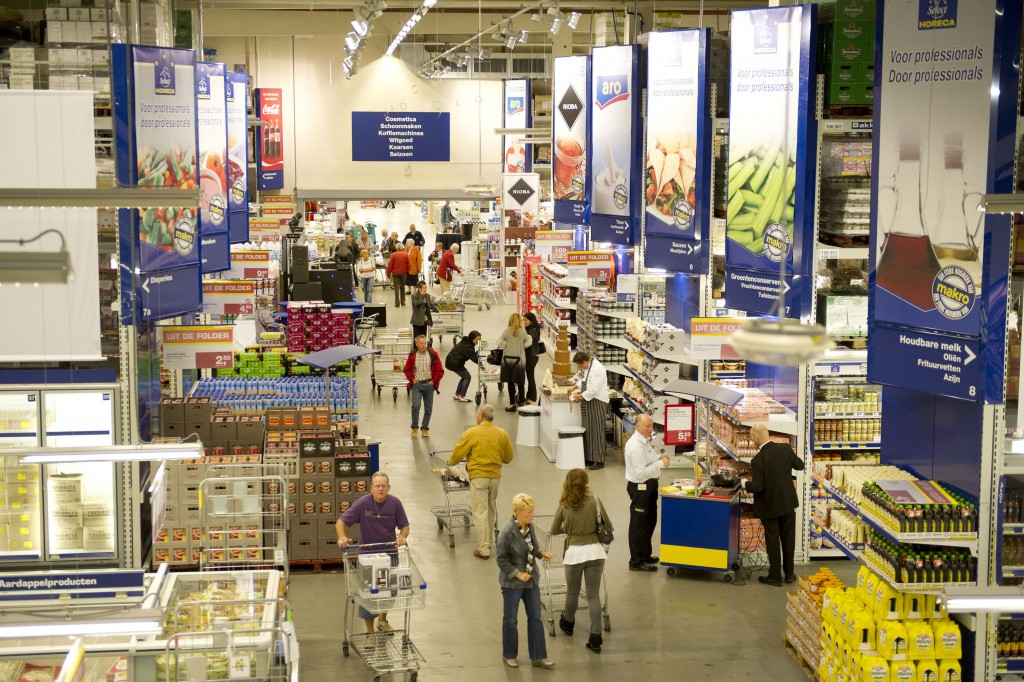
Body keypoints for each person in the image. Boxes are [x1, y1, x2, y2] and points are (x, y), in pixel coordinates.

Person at [335, 471, 410, 634]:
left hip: (389, 555)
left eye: (383, 486)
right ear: (371, 488)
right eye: (377, 486)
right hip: (367, 558)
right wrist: (342, 537)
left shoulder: (395, 504)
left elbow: (405, 526)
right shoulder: (362, 504)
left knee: (388, 591)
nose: (380, 489)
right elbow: (341, 522)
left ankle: (382, 620)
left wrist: (402, 537)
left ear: (388, 488)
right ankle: (370, 632)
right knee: (368, 596)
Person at [549, 468, 611, 654]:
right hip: (595, 552)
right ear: (585, 482)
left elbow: (553, 529)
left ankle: (568, 623)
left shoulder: (564, 504)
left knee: (573, 592)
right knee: (593, 595)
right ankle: (595, 637)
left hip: (574, 552)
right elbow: (608, 524)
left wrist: (569, 528)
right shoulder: (595, 501)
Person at [495, 493, 555, 670]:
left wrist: (541, 553)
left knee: (536, 618)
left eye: (532, 511)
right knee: (511, 620)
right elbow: (501, 559)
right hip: (512, 584)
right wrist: (517, 573)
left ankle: (538, 656)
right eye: (528, 512)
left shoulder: (530, 527)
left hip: (531, 582)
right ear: (517, 513)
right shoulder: (507, 532)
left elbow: (532, 547)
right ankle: (509, 655)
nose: (532, 515)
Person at [449, 404, 515, 559]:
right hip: (495, 478)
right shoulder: (502, 434)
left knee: (480, 512)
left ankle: (484, 549)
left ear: (480, 416)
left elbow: (458, 454)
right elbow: (508, 458)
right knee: (491, 509)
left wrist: (450, 462)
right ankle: (489, 542)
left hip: (479, 478)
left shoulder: (472, 432)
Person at [743, 423, 805, 587]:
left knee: (772, 541)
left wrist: (745, 483)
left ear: (756, 437)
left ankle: (775, 576)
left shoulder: (758, 460)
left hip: (770, 507)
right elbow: (800, 465)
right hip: (787, 503)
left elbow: (758, 487)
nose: (751, 441)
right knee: (788, 539)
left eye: (751, 438)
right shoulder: (785, 449)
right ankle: (790, 574)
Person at [623, 414, 670, 572]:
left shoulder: (644, 441)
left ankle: (645, 554)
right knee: (639, 525)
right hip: (640, 488)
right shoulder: (635, 446)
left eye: (651, 426)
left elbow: (646, 459)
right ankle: (636, 562)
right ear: (637, 426)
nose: (651, 429)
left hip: (649, 487)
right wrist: (660, 464)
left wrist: (658, 457)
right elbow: (639, 474)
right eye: (647, 426)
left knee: (649, 522)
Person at [570, 351, 610, 469]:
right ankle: (590, 457)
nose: (580, 368)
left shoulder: (597, 370)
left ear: (585, 362)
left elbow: (593, 389)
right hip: (590, 401)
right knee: (589, 429)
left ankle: (599, 460)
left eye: (580, 365)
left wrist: (580, 396)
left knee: (596, 431)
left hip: (597, 402)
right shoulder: (590, 366)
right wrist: (575, 386)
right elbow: (585, 379)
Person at [402, 334, 443, 437]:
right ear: (416, 344)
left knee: (428, 408)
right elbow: (406, 369)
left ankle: (425, 428)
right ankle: (414, 428)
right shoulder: (412, 355)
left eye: (425, 343)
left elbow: (440, 370)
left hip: (429, 384)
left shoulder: (433, 354)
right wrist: (412, 379)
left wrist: (434, 381)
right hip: (417, 385)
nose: (424, 345)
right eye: (422, 343)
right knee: (415, 406)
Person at [498, 313, 532, 412]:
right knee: (521, 382)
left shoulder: (506, 331)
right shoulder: (523, 332)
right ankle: (521, 402)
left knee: (510, 382)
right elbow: (527, 343)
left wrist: (507, 345)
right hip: (520, 360)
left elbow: (500, 343)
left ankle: (512, 404)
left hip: (507, 360)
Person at [445, 331, 481, 402]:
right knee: (468, 377)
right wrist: (483, 367)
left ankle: (457, 395)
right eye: (476, 340)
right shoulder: (468, 347)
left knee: (464, 377)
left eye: (479, 340)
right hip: (455, 363)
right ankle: (462, 396)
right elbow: (475, 359)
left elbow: (469, 354)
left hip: (451, 361)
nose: (478, 342)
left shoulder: (466, 341)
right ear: (471, 339)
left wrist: (474, 353)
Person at [522, 312, 542, 405]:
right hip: (531, 356)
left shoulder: (532, 331)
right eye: (523, 320)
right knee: (529, 377)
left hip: (531, 357)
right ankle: (529, 396)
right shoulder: (529, 329)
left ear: (531, 321)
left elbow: (527, 344)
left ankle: (532, 398)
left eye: (526, 320)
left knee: (530, 377)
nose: (524, 322)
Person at [385, 243, 411, 307]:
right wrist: (407, 271)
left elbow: (390, 265)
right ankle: (403, 302)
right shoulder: (406, 254)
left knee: (396, 288)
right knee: (402, 287)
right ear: (402, 248)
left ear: (396, 248)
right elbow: (409, 265)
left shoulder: (393, 255)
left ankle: (397, 303)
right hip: (403, 273)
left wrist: (388, 274)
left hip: (395, 273)